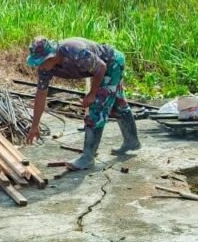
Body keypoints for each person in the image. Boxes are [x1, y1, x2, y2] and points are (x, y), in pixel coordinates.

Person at [25, 36, 141, 170]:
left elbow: (101, 67)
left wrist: (92, 94)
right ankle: (132, 142)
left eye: (42, 61)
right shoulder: (45, 69)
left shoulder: (75, 52)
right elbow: (41, 94)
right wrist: (35, 125)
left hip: (112, 63)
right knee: (117, 103)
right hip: (101, 67)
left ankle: (87, 157)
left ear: (52, 56)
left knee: (97, 107)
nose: (40, 66)